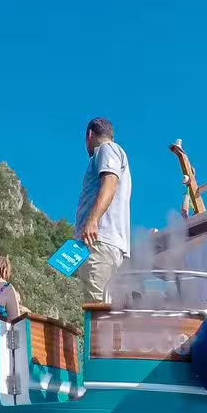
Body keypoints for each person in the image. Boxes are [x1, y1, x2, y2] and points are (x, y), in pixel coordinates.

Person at [74, 117, 131, 303]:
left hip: (100, 241)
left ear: (89, 135)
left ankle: (99, 334)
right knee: (105, 306)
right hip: (102, 243)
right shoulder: (114, 152)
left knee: (97, 308)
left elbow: (109, 184)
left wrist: (92, 221)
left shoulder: (107, 149)